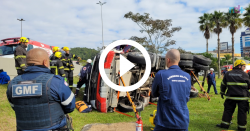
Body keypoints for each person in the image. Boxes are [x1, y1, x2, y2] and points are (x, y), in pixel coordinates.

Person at [6, 48, 75, 131]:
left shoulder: (13, 83)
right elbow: (70, 106)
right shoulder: (55, 82)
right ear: (45, 62)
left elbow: (14, 106)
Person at [152, 49, 191, 131]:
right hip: (183, 121)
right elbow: (187, 96)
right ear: (179, 59)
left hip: (165, 122)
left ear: (168, 60)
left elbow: (154, 93)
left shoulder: (161, 74)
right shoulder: (187, 76)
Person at [216, 60, 250, 131]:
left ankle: (225, 125)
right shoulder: (245, 75)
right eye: (244, 66)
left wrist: (222, 92)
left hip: (230, 97)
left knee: (228, 111)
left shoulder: (228, 74)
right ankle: (241, 128)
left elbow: (223, 84)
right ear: (239, 66)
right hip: (242, 98)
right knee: (242, 113)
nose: (244, 68)